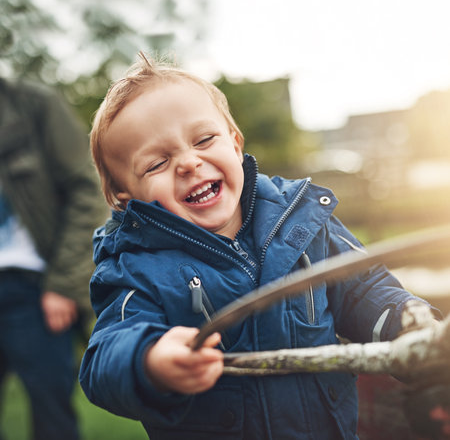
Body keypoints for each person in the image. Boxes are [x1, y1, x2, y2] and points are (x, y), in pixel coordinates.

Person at [79, 53, 438, 439]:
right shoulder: (135, 268)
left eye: (203, 139)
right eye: (156, 164)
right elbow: (104, 358)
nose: (188, 163)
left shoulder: (304, 220)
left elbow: (365, 289)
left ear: (234, 143)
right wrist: (149, 359)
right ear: (125, 197)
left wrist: (410, 327)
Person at [0, 78, 106, 440]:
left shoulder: (34, 104)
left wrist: (63, 283)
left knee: (52, 420)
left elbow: (86, 193)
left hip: (35, 290)